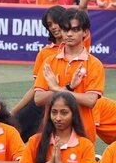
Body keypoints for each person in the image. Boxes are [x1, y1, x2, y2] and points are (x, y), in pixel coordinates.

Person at [33, 8, 104, 142]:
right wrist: (69, 88)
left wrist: (56, 88)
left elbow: (90, 101)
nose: (69, 34)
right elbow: (38, 99)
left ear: (85, 32)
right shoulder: (49, 61)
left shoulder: (94, 64)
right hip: (52, 133)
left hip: (83, 133)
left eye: (75, 30)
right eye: (66, 29)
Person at [11, 5, 67, 140]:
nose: (53, 27)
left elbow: (83, 9)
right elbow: (35, 88)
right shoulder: (45, 52)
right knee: (14, 127)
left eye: (57, 22)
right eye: (49, 24)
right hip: (44, 100)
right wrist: (13, 111)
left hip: (69, 101)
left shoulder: (77, 46)